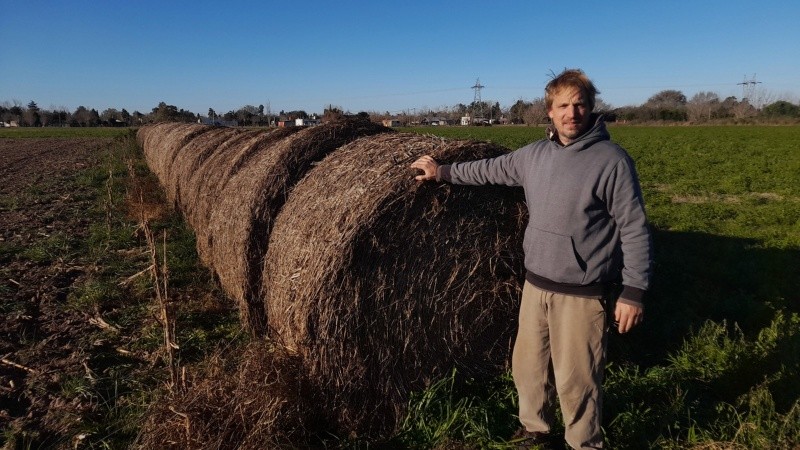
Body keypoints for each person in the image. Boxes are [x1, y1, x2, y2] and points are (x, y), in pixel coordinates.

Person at [410, 69, 653, 449]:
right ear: (550, 112)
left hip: (583, 292)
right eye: (563, 106)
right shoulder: (533, 156)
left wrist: (633, 291)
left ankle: (583, 443)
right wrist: (441, 171)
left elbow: (634, 228)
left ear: (591, 109)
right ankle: (535, 431)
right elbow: (487, 170)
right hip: (535, 284)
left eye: (579, 105)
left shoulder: (612, 161)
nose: (571, 113)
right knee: (529, 368)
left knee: (578, 380)